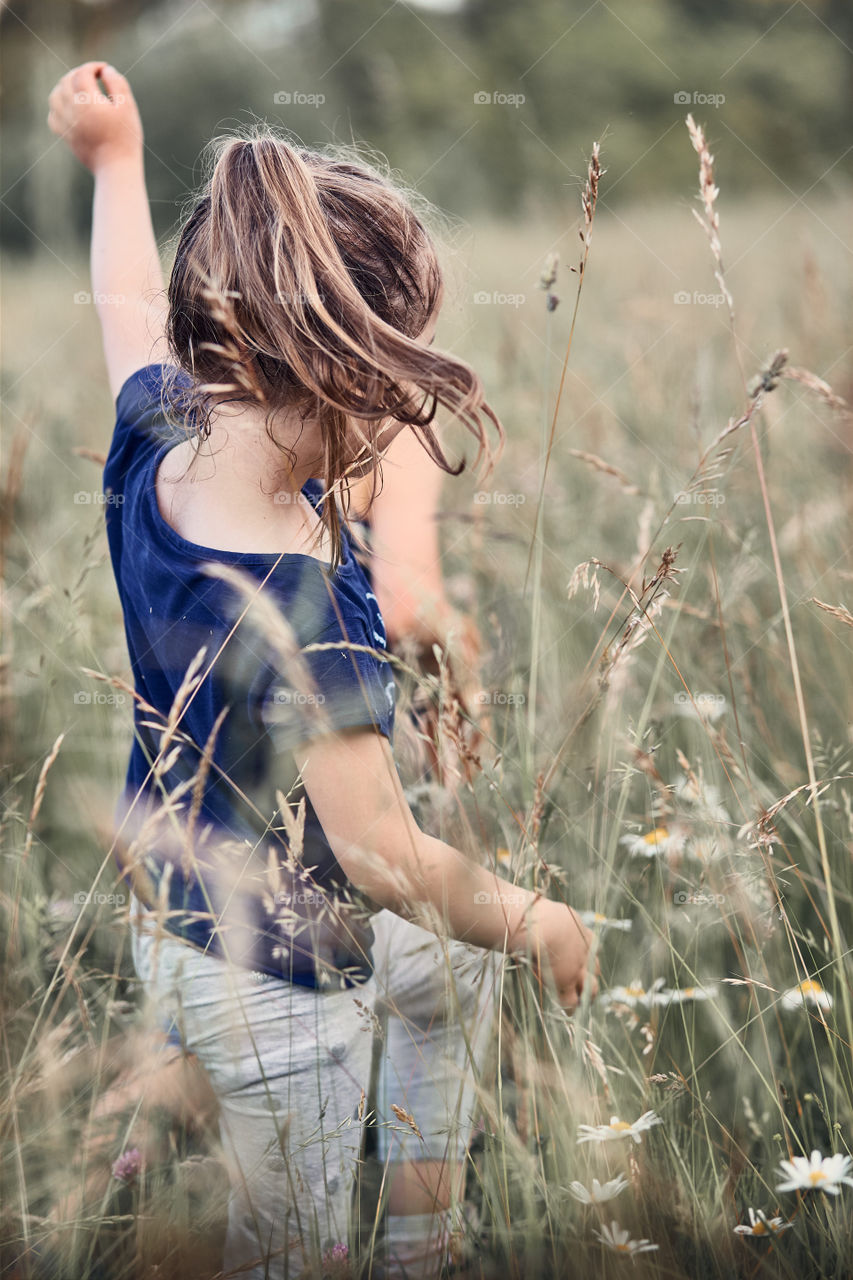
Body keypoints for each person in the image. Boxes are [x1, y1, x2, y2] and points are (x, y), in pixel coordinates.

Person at [48, 62, 599, 1280]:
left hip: (176, 928)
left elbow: (123, 300)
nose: (402, 416)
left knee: (446, 966)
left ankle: (424, 1241)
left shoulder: (166, 431)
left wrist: (116, 158)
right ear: (341, 369)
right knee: (291, 1249)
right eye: (394, 382)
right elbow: (383, 858)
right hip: (279, 989)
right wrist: (535, 915)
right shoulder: (305, 600)